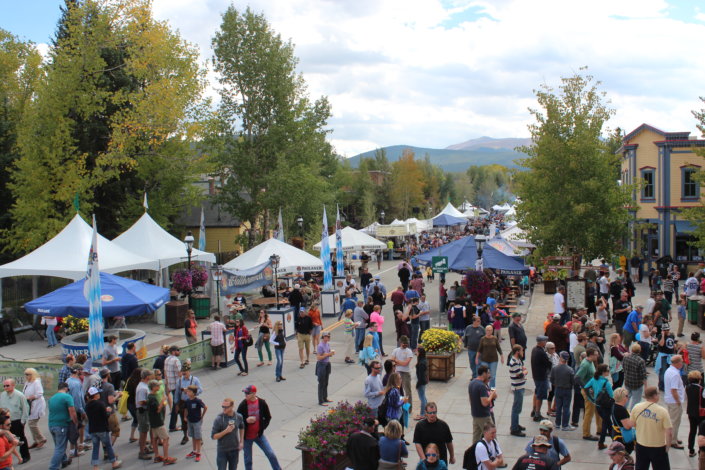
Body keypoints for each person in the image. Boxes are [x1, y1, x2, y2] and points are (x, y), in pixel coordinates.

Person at [237, 385, 281, 470]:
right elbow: (236, 419)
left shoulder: (261, 403)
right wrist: (246, 420)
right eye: (245, 393)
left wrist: (262, 428)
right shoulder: (243, 404)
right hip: (247, 438)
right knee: (248, 460)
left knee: (270, 454)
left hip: (259, 435)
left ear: (254, 394)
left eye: (247, 393)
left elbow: (268, 417)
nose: (245, 395)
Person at [630, 386, 672, 470]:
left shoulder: (636, 407)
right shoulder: (662, 411)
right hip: (658, 446)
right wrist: (667, 446)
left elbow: (633, 424)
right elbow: (669, 431)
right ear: (654, 396)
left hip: (641, 444)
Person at [85, 386, 122, 470]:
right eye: (97, 393)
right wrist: (108, 411)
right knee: (108, 445)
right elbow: (105, 417)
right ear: (95, 395)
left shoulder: (87, 406)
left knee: (95, 447)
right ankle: (114, 462)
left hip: (93, 429)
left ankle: (95, 466)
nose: (99, 394)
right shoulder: (100, 404)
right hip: (102, 428)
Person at [47, 382, 78, 470]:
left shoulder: (52, 398)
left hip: (51, 424)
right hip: (61, 425)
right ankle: (53, 467)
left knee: (58, 445)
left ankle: (64, 460)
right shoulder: (67, 397)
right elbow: (72, 411)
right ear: (66, 388)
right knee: (60, 448)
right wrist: (75, 422)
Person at [584, 363, 614, 449]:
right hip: (606, 406)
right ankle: (612, 442)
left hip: (598, 405)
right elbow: (612, 396)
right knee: (607, 423)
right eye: (607, 371)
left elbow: (586, 388)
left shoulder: (593, 379)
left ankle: (603, 442)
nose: (609, 372)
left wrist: (592, 399)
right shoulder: (606, 383)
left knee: (606, 422)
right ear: (603, 372)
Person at [147, 379, 176, 465]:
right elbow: (158, 410)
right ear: (153, 387)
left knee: (155, 439)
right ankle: (166, 458)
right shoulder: (153, 398)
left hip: (153, 422)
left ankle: (157, 456)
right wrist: (163, 401)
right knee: (166, 438)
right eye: (157, 386)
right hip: (158, 422)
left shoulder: (149, 397)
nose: (159, 387)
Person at [0, 379, 29, 464]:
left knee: (20, 437)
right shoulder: (3, 395)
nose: (5, 387)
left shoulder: (20, 395)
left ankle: (25, 456)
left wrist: (23, 421)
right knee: (6, 439)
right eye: (4, 385)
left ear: (13, 385)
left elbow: (25, 408)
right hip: (4, 421)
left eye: (7, 385)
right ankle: (6, 457)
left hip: (16, 420)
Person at [211, 397, 244, 470]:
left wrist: (241, 441)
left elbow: (242, 427)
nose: (224, 409)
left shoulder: (238, 417)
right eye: (223, 407)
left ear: (232, 407)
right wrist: (226, 431)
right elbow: (213, 436)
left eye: (226, 407)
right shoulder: (219, 419)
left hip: (234, 449)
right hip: (222, 450)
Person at [576, 348, 601, 441]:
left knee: (598, 410)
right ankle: (586, 433)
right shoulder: (586, 365)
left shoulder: (590, 362)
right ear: (590, 355)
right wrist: (586, 388)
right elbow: (577, 377)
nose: (597, 355)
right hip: (588, 391)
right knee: (589, 413)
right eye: (595, 354)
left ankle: (600, 429)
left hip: (593, 390)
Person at [469, 365, 496, 443]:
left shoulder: (472, 383)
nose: (489, 375)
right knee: (492, 436)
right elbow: (485, 403)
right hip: (484, 415)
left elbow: (470, 400)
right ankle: (495, 453)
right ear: (483, 374)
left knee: (476, 438)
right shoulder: (481, 386)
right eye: (488, 373)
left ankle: (473, 453)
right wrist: (492, 395)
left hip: (475, 414)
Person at [663, 354, 686, 449]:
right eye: (681, 361)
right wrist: (678, 401)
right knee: (675, 422)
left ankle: (674, 437)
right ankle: (672, 440)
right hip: (674, 401)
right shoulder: (675, 374)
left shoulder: (669, 370)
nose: (682, 363)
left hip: (669, 399)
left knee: (671, 420)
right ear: (677, 363)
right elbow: (674, 390)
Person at [550, 351, 575, 431]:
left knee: (558, 407)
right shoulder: (570, 370)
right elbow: (573, 381)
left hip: (558, 389)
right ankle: (565, 425)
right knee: (566, 408)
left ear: (561, 358)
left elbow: (552, 379)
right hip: (567, 390)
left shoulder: (555, 368)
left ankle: (557, 424)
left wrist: (556, 384)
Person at [23, 368, 46, 450]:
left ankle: (41, 439)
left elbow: (40, 393)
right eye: (25, 374)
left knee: (32, 423)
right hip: (30, 404)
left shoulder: (36, 382)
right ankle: (36, 440)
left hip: (37, 404)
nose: (26, 376)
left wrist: (30, 397)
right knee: (31, 422)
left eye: (28, 374)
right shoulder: (27, 383)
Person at [183, 385, 207, 462]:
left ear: (194, 393)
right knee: (193, 436)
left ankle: (198, 453)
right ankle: (194, 451)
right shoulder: (187, 401)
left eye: (189, 391)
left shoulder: (197, 401)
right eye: (187, 391)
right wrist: (185, 417)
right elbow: (186, 409)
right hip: (190, 421)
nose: (187, 392)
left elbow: (205, 407)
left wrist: (202, 416)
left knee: (198, 437)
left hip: (197, 421)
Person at [531, 335, 552, 422]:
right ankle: (537, 414)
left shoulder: (534, 349)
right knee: (540, 395)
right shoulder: (541, 352)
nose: (546, 342)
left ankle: (534, 410)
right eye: (545, 341)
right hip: (541, 376)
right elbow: (548, 364)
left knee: (536, 392)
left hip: (536, 375)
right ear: (541, 342)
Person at [391, 336, 414, 412]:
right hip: (397, 372)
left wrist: (397, 361)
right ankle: (398, 405)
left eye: (407, 343)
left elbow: (405, 363)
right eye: (404, 343)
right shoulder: (395, 350)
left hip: (405, 373)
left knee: (407, 391)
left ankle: (409, 408)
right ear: (400, 343)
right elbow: (392, 360)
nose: (406, 345)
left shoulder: (409, 351)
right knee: (397, 390)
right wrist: (399, 362)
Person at [509, 344, 527, 436]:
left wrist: (522, 369)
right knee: (516, 408)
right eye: (522, 351)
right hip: (517, 387)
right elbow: (519, 375)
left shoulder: (518, 360)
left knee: (518, 408)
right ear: (517, 352)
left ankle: (515, 424)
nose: (523, 352)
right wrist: (524, 372)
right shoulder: (514, 362)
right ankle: (514, 428)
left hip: (520, 386)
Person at [623, 343, 648, 411]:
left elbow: (623, 368)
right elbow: (643, 375)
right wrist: (646, 386)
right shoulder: (641, 361)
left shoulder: (626, 357)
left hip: (627, 381)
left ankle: (623, 411)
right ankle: (632, 412)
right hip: (637, 384)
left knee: (626, 397)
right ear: (640, 350)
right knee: (636, 400)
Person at [136, 369, 154, 461]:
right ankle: (142, 452)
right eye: (151, 376)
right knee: (143, 431)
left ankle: (144, 449)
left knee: (145, 430)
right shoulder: (142, 388)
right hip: (143, 412)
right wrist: (151, 401)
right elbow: (142, 401)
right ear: (147, 377)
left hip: (144, 411)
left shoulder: (143, 386)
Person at [477, 325, 503, 389]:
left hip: (494, 360)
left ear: (492, 331)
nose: (489, 331)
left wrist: (502, 356)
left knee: (493, 376)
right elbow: (479, 349)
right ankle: (484, 388)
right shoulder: (483, 339)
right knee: (484, 375)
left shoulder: (494, 338)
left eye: (490, 330)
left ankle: (492, 389)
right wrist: (476, 358)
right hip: (484, 360)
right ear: (485, 331)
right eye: (488, 330)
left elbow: (498, 348)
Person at [611, 387, 636, 455]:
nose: (628, 398)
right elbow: (627, 426)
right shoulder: (621, 410)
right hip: (623, 439)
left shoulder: (615, 406)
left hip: (617, 436)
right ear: (623, 397)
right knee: (624, 458)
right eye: (627, 396)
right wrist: (635, 422)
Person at [686, 371, 703, 457]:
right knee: (701, 432)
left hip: (690, 412)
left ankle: (691, 450)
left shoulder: (688, 387)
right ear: (699, 379)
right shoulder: (701, 389)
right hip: (700, 413)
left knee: (692, 431)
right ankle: (701, 450)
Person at [316, 331, 335, 406]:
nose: (328, 338)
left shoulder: (327, 344)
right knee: (321, 383)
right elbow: (318, 357)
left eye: (329, 337)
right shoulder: (320, 346)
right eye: (327, 336)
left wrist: (330, 354)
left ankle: (325, 397)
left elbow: (328, 354)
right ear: (323, 337)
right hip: (321, 365)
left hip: (327, 364)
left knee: (326, 382)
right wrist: (327, 354)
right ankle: (320, 401)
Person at [415, 347, 429, 420]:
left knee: (422, 398)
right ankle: (426, 412)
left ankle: (422, 414)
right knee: (423, 397)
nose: (416, 353)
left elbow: (420, 376)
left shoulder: (421, 363)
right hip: (423, 381)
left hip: (421, 381)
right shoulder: (423, 360)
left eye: (417, 351)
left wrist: (417, 384)